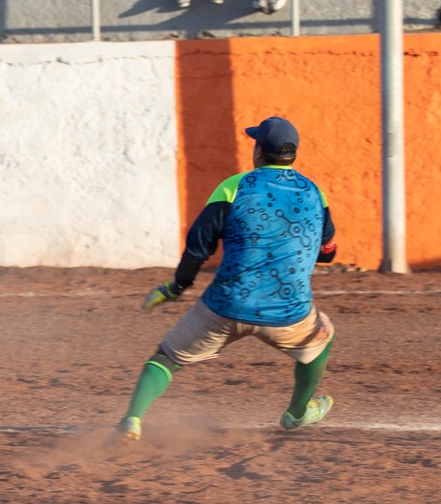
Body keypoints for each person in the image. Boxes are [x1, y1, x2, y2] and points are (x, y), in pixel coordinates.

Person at [114, 114, 336, 445]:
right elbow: (328, 251)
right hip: (288, 312)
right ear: (293, 154)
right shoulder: (315, 192)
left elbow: (197, 247)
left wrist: (175, 288)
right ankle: (297, 412)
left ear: (259, 151)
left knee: (166, 358)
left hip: (225, 306)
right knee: (322, 341)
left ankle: (131, 420)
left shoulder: (233, 187)